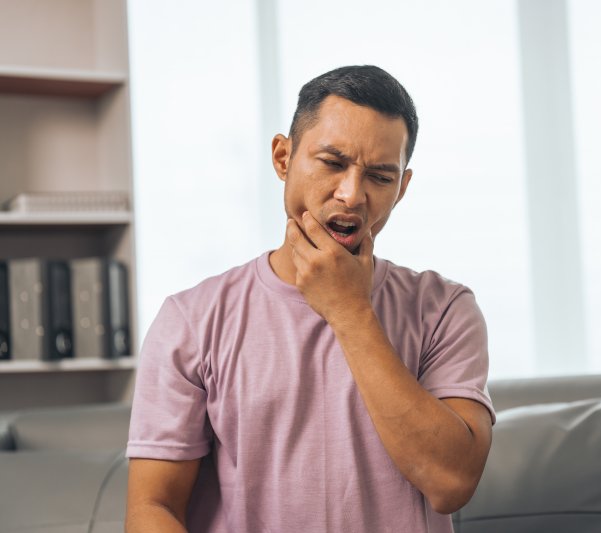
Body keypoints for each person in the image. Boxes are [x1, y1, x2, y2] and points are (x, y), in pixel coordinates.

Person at [125, 65, 494, 533]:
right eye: (333, 163)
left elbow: (451, 482)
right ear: (283, 157)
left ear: (401, 189)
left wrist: (350, 311)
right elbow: (152, 508)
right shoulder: (191, 319)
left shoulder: (445, 309)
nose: (351, 195)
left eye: (380, 177)